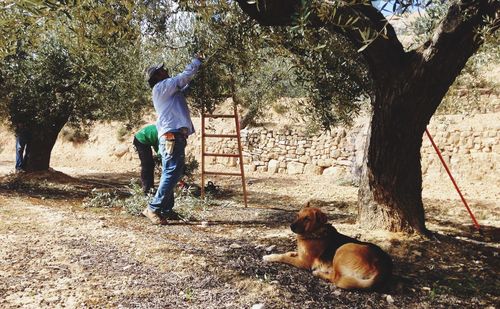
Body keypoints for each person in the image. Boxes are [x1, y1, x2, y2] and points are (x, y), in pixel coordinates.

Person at [142, 55, 203, 225]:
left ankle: (165, 210)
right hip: (171, 135)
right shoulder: (162, 87)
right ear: (157, 76)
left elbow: (183, 88)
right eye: (162, 70)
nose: (165, 70)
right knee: (172, 172)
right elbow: (182, 78)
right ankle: (153, 208)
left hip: (175, 135)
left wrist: (192, 82)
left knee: (171, 173)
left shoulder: (166, 90)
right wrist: (197, 61)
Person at [133, 124, 160, 195]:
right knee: (147, 164)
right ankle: (146, 189)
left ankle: (151, 187)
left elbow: (157, 146)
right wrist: (161, 157)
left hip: (148, 140)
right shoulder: (164, 134)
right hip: (140, 140)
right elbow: (160, 148)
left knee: (151, 164)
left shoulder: (166, 132)